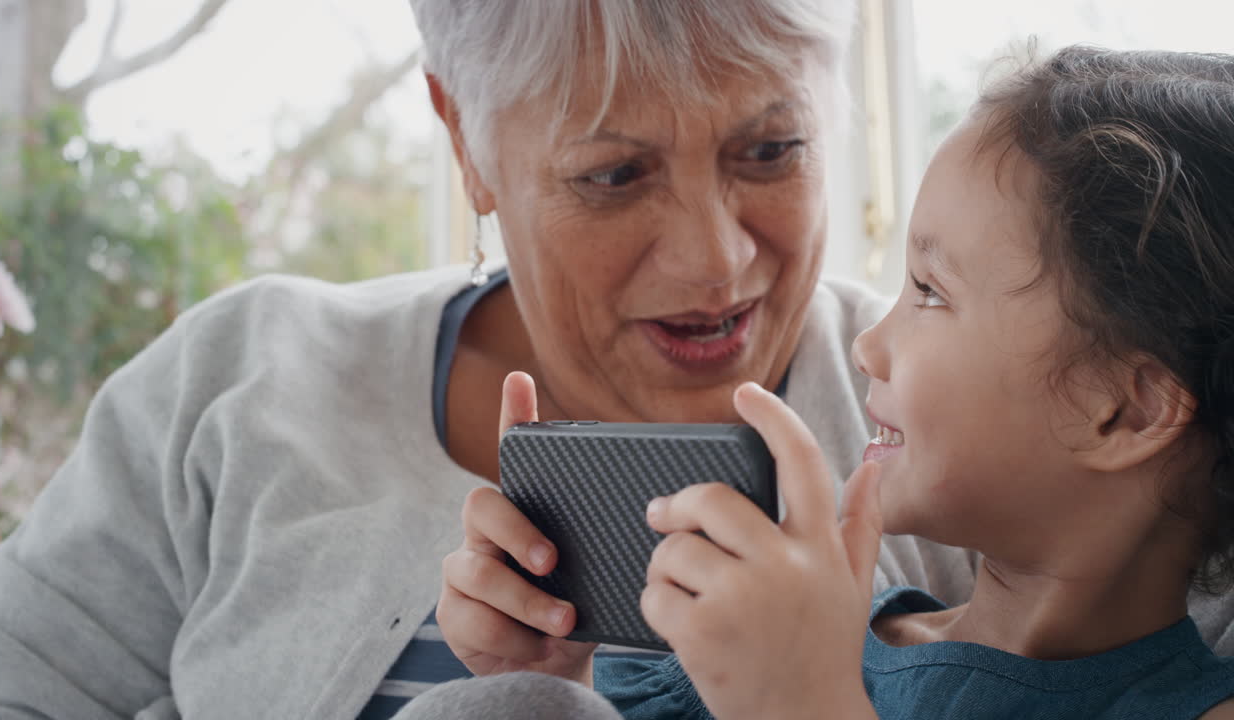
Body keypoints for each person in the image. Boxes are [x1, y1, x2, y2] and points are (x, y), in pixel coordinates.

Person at [432, 45, 1234, 719]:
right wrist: (550, 675)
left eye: (931, 292)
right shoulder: (773, 639)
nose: (867, 345)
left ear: (1125, 410)